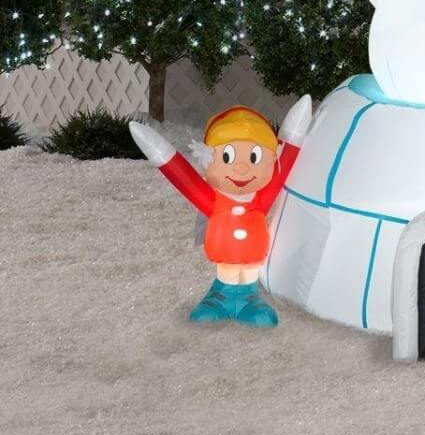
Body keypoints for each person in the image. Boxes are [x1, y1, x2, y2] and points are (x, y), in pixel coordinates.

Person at [130, 97, 312, 327]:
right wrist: (156, 149)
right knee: (226, 274)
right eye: (228, 157)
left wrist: (294, 133)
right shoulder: (212, 201)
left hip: (252, 263)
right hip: (223, 258)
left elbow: (287, 158)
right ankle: (221, 294)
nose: (242, 167)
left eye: (254, 157)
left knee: (249, 278)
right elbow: (181, 174)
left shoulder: (261, 198)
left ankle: (249, 296)